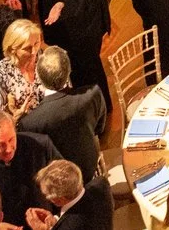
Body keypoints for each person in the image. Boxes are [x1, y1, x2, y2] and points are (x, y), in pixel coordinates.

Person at [18, 47, 108, 186]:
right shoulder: (92, 95)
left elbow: (35, 159)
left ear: (40, 77)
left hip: (60, 186)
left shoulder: (29, 123)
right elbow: (100, 129)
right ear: (69, 71)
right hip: (92, 172)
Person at [0, 114, 59, 224]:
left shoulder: (41, 145)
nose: (8, 149)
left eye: (11, 139)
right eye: (0, 145)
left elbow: (65, 183)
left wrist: (56, 219)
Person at [32, 157, 109, 230]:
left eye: (46, 195)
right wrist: (57, 221)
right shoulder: (101, 184)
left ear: (59, 199)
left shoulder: (68, 227)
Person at [0, 18, 43, 118]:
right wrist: (15, 119)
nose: (34, 51)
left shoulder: (44, 60)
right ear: (12, 49)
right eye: (27, 48)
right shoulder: (0, 74)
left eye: (37, 43)